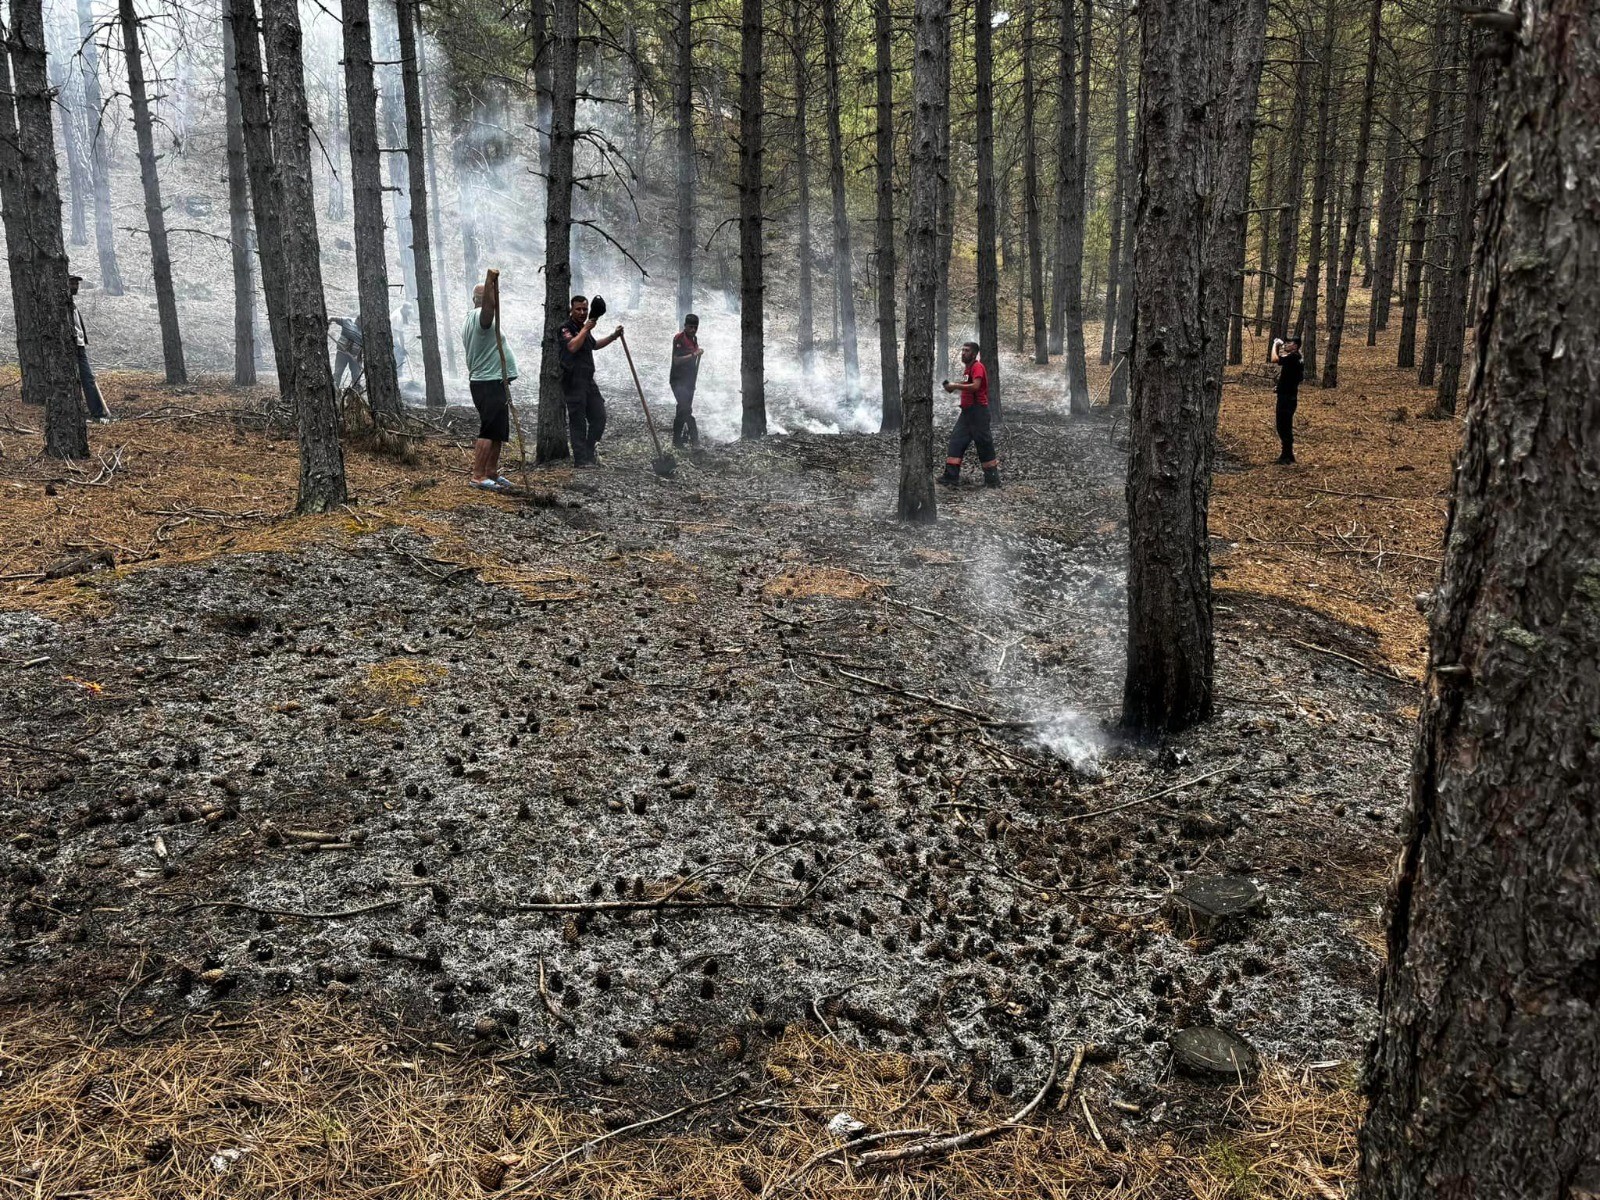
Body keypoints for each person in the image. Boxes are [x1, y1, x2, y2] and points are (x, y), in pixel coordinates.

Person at [461, 272, 518, 491]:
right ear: (483, 299)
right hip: (487, 382)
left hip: (494, 382)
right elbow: (488, 310)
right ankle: (477, 476)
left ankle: (491, 472)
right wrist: (490, 281)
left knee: (498, 430)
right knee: (488, 429)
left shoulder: (474, 318)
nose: (496, 297)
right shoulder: (480, 318)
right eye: (492, 295)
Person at [558, 295, 623, 467]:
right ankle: (580, 460)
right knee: (578, 421)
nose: (582, 312)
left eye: (585, 309)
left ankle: (589, 451)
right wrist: (586, 328)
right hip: (573, 380)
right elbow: (572, 346)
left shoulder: (583, 328)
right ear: (571, 310)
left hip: (588, 380)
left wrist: (613, 336)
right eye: (578, 309)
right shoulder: (566, 328)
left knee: (599, 417)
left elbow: (593, 345)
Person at [938, 342, 1000, 488]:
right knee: (956, 441)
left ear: (974, 353)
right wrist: (952, 386)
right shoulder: (968, 369)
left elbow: (975, 386)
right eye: (963, 350)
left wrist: (955, 386)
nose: (963, 353)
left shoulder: (978, 367)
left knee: (984, 445)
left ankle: (992, 480)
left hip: (978, 412)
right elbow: (967, 383)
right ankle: (951, 476)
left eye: (967, 351)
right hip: (967, 413)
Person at [68, 275, 110, 423]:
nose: (75, 286)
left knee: (88, 379)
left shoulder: (72, 304)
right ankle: (96, 413)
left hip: (79, 346)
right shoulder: (62, 304)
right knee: (83, 379)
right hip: (71, 347)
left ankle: (97, 412)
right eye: (72, 283)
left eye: (76, 284)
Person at [669, 314, 703, 448]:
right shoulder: (679, 338)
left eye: (695, 327)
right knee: (686, 409)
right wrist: (694, 354)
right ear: (685, 326)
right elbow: (676, 360)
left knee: (682, 410)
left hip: (689, 381)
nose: (693, 330)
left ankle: (676, 441)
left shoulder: (694, 339)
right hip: (678, 381)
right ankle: (695, 441)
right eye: (691, 327)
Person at [1270, 336, 1304, 464]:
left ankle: (1286, 456)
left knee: (1283, 426)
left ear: (1295, 346)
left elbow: (1274, 359)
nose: (1286, 344)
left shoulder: (1293, 358)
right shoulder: (1298, 358)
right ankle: (1288, 454)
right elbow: (1294, 377)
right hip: (1289, 395)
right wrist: (1280, 387)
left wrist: (1275, 345)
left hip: (1287, 398)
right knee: (1285, 425)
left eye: (1289, 343)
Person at [329, 315, 363, 390]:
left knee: (356, 377)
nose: (361, 322)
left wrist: (359, 358)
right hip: (342, 353)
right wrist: (328, 321)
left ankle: (356, 396)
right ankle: (335, 391)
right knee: (338, 373)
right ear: (357, 319)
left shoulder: (366, 330)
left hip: (355, 357)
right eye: (359, 320)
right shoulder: (347, 321)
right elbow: (332, 318)